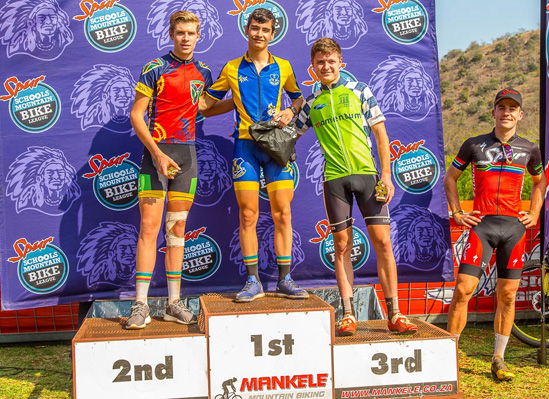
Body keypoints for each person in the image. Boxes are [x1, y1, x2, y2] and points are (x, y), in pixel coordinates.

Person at [295, 37, 418, 336]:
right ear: (313, 67)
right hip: (334, 179)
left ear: (341, 63)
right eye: (320, 62)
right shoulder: (311, 102)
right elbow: (290, 135)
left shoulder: (359, 90)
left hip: (367, 176)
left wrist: (386, 176)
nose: (326, 66)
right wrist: (281, 118)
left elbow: (380, 133)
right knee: (341, 246)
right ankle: (348, 314)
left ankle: (396, 314)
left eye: (331, 61)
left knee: (384, 244)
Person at [126, 11, 226, 329]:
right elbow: (136, 115)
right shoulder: (155, 68)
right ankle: (140, 304)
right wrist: (156, 154)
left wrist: (240, 99)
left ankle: (173, 303)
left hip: (187, 157)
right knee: (148, 229)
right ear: (172, 34)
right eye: (180, 32)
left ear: (199, 36)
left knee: (177, 232)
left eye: (191, 33)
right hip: (156, 156)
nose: (186, 38)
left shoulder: (205, 72)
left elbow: (206, 108)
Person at [200, 8, 308, 302]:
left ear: (273, 34)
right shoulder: (232, 68)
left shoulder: (284, 67)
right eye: (255, 28)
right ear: (246, 30)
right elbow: (204, 106)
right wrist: (233, 102)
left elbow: (299, 100)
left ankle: (285, 280)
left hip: (275, 147)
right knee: (248, 214)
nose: (259, 34)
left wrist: (290, 110)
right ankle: (253, 281)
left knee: (282, 213)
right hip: (245, 147)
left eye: (265, 30)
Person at [443, 88, 545, 381]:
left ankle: (498, 359)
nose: (507, 112)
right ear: (494, 113)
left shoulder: (530, 149)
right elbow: (451, 178)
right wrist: (457, 212)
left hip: (513, 228)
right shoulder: (473, 144)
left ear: (520, 115)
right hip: (482, 225)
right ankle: (449, 355)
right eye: (502, 107)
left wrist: (535, 213)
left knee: (508, 295)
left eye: (513, 108)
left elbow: (540, 183)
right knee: (463, 289)